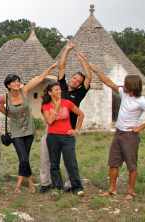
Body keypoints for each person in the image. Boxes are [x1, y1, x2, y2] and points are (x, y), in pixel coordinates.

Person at [89, 63, 145, 200]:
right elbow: (109, 82)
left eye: (125, 84)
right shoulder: (124, 93)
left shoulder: (142, 101)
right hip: (118, 133)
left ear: (132, 86)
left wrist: (139, 127)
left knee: (131, 164)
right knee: (113, 162)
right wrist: (95, 69)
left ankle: (131, 192)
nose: (123, 85)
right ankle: (112, 189)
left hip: (130, 136)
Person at [0, 60, 60, 194]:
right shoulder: (5, 97)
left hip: (29, 129)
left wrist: (51, 67)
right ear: (8, 85)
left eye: (18, 81)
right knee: (24, 158)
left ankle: (19, 184)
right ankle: (31, 183)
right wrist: (9, 115)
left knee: (25, 157)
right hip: (16, 131)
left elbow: (39, 79)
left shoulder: (24, 90)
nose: (17, 83)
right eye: (13, 82)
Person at [40, 43, 92, 194]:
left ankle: (71, 185)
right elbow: (61, 67)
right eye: (74, 78)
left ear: (80, 84)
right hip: (52, 127)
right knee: (47, 158)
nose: (75, 81)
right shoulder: (61, 86)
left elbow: (89, 77)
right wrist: (67, 50)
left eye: (78, 81)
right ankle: (47, 184)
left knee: (69, 160)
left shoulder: (79, 93)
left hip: (68, 127)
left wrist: (82, 60)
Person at [42, 82, 85, 196]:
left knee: (71, 162)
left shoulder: (67, 103)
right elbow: (49, 121)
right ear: (50, 93)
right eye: (56, 90)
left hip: (67, 137)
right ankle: (57, 187)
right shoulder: (46, 105)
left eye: (60, 89)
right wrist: (57, 107)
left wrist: (77, 129)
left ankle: (76, 187)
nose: (60, 91)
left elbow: (81, 114)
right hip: (52, 137)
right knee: (54, 163)